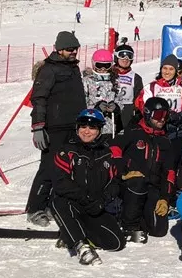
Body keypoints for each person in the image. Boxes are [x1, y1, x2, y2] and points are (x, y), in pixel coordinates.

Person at [27, 31, 86, 227]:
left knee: (66, 168)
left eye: (75, 49)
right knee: (48, 167)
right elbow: (39, 99)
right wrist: (38, 126)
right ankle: (35, 208)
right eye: (70, 49)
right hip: (54, 127)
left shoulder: (73, 68)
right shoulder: (49, 70)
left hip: (72, 126)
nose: (73, 52)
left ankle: (53, 204)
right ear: (59, 49)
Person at [51, 109, 126, 265]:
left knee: (116, 243)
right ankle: (81, 245)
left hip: (95, 205)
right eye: (83, 126)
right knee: (58, 201)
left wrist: (102, 200)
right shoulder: (67, 150)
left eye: (92, 128)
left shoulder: (107, 153)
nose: (86, 131)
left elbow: (114, 183)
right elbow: (61, 183)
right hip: (74, 202)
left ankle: (71, 233)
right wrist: (85, 197)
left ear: (99, 131)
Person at [112, 97, 174, 243]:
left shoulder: (165, 141)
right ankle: (129, 225)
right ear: (147, 114)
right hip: (128, 184)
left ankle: (137, 216)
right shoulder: (132, 131)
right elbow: (113, 151)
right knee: (138, 182)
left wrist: (165, 198)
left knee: (159, 230)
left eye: (166, 116)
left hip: (151, 187)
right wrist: (123, 172)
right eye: (158, 116)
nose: (162, 120)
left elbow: (169, 173)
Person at [134, 54, 182, 194]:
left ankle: (170, 194)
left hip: (176, 132)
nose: (167, 72)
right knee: (156, 163)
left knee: (172, 165)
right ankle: (154, 192)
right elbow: (142, 104)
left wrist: (181, 116)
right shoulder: (152, 87)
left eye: (170, 69)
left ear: (176, 70)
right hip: (157, 131)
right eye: (164, 68)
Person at [82, 49, 122, 137]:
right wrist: (95, 108)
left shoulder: (115, 81)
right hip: (91, 125)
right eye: (99, 65)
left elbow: (119, 99)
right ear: (94, 64)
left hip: (110, 126)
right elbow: (82, 102)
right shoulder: (87, 81)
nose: (103, 69)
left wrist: (117, 107)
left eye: (106, 66)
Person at [112, 44, 144, 130]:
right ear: (116, 57)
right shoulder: (109, 74)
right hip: (110, 109)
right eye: (122, 55)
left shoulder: (135, 77)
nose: (125, 59)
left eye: (129, 56)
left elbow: (139, 98)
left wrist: (137, 113)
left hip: (127, 110)